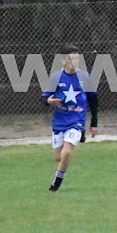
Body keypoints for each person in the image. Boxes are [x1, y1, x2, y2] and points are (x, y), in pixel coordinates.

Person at [42, 45, 98, 191]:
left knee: (66, 153)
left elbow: (93, 100)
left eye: (77, 58)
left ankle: (55, 184)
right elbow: (44, 98)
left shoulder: (84, 77)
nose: (75, 61)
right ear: (63, 61)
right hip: (59, 122)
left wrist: (94, 122)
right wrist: (49, 101)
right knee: (59, 157)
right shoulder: (56, 78)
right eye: (71, 59)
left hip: (76, 120)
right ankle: (79, 135)